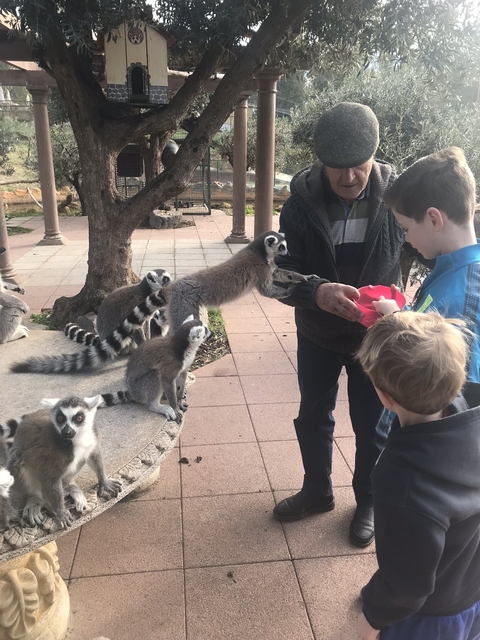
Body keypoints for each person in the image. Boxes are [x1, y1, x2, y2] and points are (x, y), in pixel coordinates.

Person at [274, 102, 407, 547]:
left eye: (359, 167)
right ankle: (317, 491)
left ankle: (367, 500)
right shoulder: (299, 206)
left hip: (377, 338)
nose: (350, 178)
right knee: (313, 415)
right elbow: (275, 273)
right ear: (321, 163)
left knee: (374, 423)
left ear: (374, 156)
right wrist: (317, 292)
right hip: (319, 333)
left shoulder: (397, 199)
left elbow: (428, 248)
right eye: (338, 169)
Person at [356, 311, 480, 640]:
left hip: (429, 619)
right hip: (470, 589)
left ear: (385, 397)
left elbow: (407, 584)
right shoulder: (470, 416)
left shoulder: (402, 482)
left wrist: (371, 618)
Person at [383, 146, 480, 406]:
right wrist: (402, 315)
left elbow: (458, 401)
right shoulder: (450, 269)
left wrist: (394, 324)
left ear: (434, 219)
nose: (405, 238)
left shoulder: (464, 301)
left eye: (405, 228)